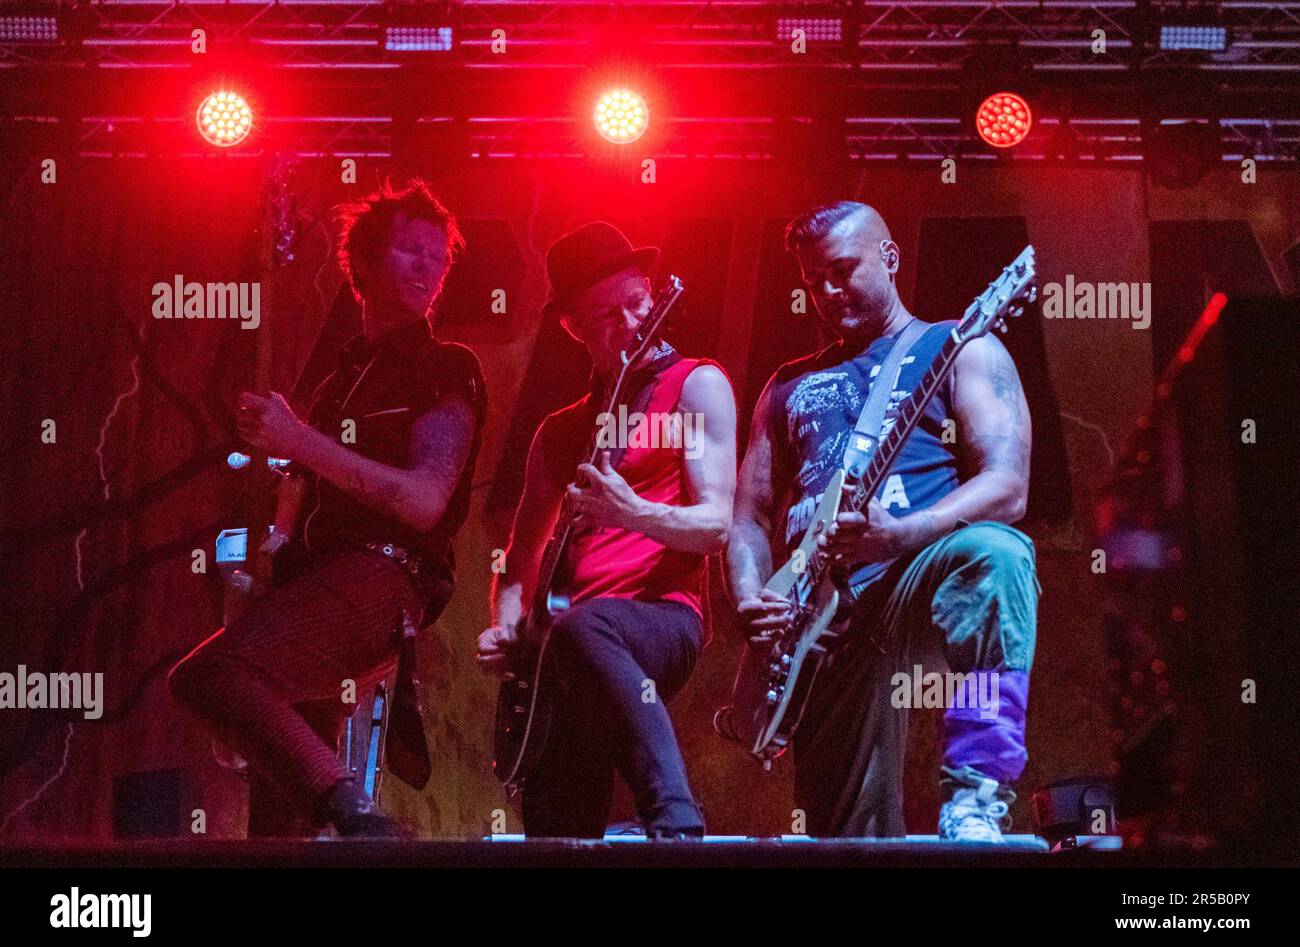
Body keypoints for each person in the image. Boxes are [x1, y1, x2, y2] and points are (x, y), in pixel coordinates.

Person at [169, 181, 486, 838]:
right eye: (410, 249)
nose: (429, 265)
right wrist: (264, 572)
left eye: (438, 256)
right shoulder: (340, 380)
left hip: (382, 575)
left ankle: (356, 814)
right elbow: (296, 502)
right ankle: (325, 818)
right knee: (278, 801)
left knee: (210, 673)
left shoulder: (445, 366)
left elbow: (426, 501)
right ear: (363, 264)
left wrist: (300, 440)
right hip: (314, 581)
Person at [727, 200, 1040, 840]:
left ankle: (977, 793)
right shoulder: (787, 384)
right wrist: (752, 600)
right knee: (846, 837)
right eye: (814, 281)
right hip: (815, 621)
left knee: (997, 554)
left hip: (914, 576)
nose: (828, 290)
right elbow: (748, 520)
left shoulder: (958, 347)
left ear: (891, 258)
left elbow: (1007, 487)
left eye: (843, 270)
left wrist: (900, 536)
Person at [476, 222, 737, 839]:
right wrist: (506, 624)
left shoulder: (694, 384)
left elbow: (715, 527)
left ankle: (677, 823)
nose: (630, 320)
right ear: (572, 327)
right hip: (564, 651)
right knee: (557, 826)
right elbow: (520, 561)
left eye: (637, 300)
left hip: (659, 618)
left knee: (586, 626)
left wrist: (634, 514)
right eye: (604, 313)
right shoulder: (560, 431)